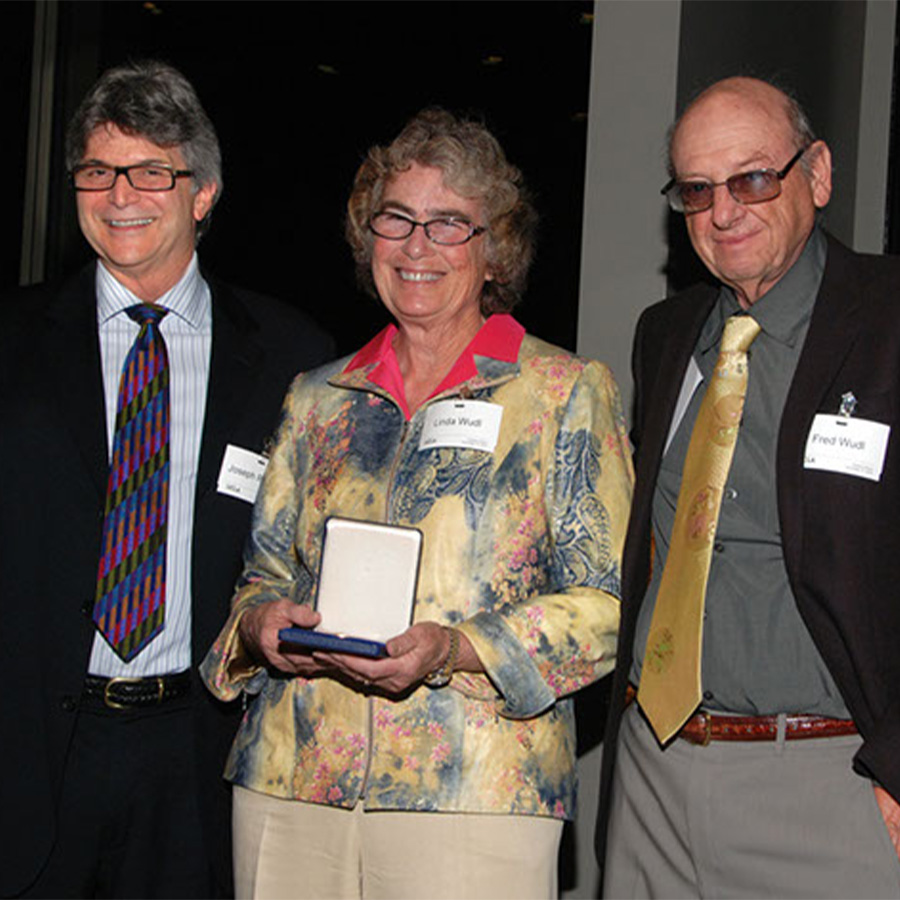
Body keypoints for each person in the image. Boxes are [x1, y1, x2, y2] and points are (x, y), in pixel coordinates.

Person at [201, 108, 634, 900]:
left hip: (474, 794)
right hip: (293, 780)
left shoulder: (561, 393)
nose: (416, 245)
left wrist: (457, 649)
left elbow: (610, 602)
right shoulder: (318, 399)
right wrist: (262, 626)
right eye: (395, 219)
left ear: (494, 248)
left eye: (449, 224)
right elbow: (259, 575)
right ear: (368, 240)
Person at [0, 60, 333, 899]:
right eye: (97, 171)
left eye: (152, 171)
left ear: (204, 192)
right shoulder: (10, 342)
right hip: (33, 749)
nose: (121, 195)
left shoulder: (291, 359)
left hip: (198, 751)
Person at [595, 75, 900, 899]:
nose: (723, 212)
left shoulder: (889, 319)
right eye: (696, 191)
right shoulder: (667, 335)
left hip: (830, 783)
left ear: (820, 174)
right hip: (654, 777)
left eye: (753, 178)